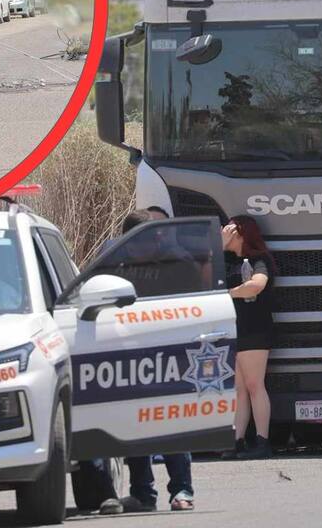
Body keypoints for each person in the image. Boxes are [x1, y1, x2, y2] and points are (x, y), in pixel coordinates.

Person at [119, 207, 197, 513]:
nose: (140, 247)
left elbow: (195, 304)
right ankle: (142, 493)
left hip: (171, 354)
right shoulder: (117, 265)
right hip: (131, 355)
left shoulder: (178, 263)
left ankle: (182, 490)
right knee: (135, 423)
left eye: (147, 239)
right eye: (135, 241)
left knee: (173, 422)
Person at [221, 215, 276, 460]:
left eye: (229, 227)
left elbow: (256, 285)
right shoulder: (227, 260)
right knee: (239, 388)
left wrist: (230, 293)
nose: (224, 230)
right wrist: (221, 245)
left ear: (240, 232)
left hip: (254, 329)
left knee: (254, 385)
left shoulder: (258, 259)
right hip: (234, 330)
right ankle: (237, 440)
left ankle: (263, 441)